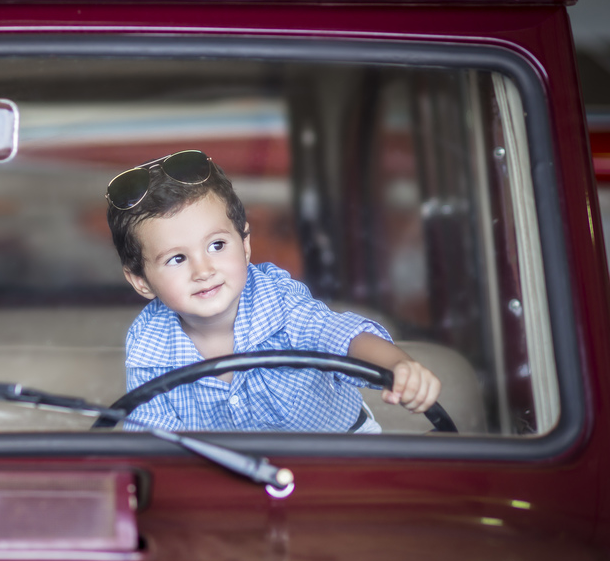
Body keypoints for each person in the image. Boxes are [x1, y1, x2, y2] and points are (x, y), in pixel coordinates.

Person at [106, 149, 441, 433]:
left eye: (217, 245)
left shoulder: (278, 300)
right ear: (141, 281)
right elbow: (150, 437)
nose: (203, 270)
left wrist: (399, 366)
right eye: (177, 258)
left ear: (246, 245)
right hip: (232, 478)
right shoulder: (148, 345)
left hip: (340, 458)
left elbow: (340, 336)